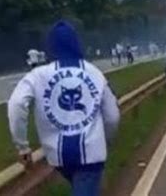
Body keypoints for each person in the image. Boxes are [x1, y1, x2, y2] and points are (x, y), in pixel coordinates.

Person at [8, 21, 120, 196]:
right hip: (91, 154)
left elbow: (15, 105)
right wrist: (107, 139)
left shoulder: (37, 75)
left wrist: (22, 146)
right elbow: (112, 116)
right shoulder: (94, 72)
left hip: (58, 157)